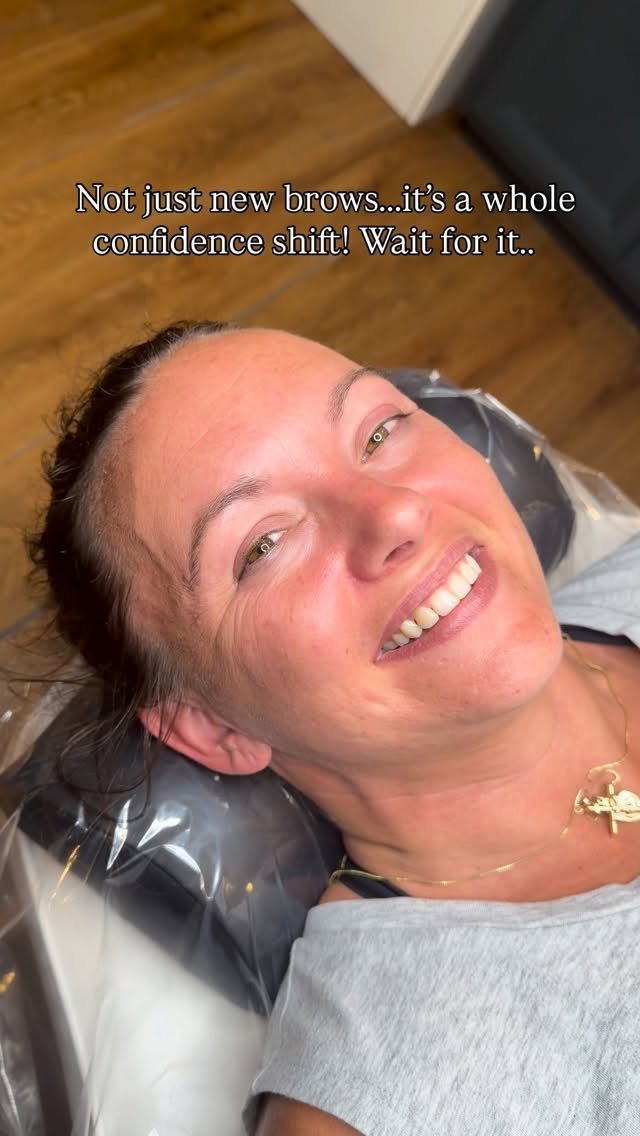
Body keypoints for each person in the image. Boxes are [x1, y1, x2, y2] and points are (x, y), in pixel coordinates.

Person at [31, 320, 640, 1135]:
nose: (396, 513)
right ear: (212, 728)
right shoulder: (381, 1094)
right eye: (265, 544)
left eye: (379, 432)